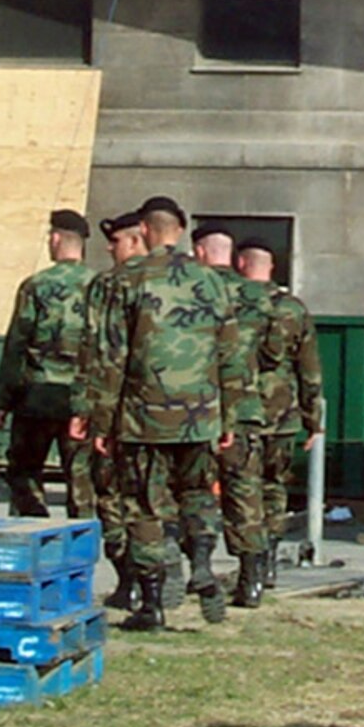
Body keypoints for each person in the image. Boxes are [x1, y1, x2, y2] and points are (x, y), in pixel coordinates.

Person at [87, 195, 244, 631]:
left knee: (144, 507)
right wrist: (229, 417)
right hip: (201, 415)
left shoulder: (127, 279)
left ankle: (152, 603)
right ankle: (202, 565)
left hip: (144, 417)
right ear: (180, 230)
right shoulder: (211, 281)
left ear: (145, 229)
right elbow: (231, 353)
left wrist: (102, 420)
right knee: (197, 494)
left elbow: (110, 357)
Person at [0, 209, 95, 519]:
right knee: (81, 477)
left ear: (55, 239)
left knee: (25, 469)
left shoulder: (36, 285)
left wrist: (3, 402)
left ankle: (35, 526)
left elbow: (17, 345)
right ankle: (80, 541)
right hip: (82, 398)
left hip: (36, 395)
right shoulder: (102, 286)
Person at [198, 223, 274, 609]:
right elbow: (274, 355)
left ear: (199, 252)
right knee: (245, 496)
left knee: (190, 493)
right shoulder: (260, 297)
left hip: (197, 408)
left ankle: (197, 570)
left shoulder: (193, 289)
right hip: (244, 408)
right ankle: (251, 579)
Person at [77, 210, 147, 609]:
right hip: (162, 415)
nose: (109, 248)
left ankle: (128, 579)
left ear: (136, 240)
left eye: (116, 240)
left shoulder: (110, 285)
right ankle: (151, 577)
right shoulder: (176, 281)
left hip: (117, 412)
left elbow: (98, 352)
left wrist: (88, 412)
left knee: (110, 494)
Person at [253, 241, 324, 585]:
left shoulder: (230, 302)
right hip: (281, 415)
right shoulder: (293, 309)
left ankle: (248, 563)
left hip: (237, 414)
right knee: (274, 487)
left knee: (241, 488)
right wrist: (314, 421)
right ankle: (267, 557)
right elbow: (309, 371)